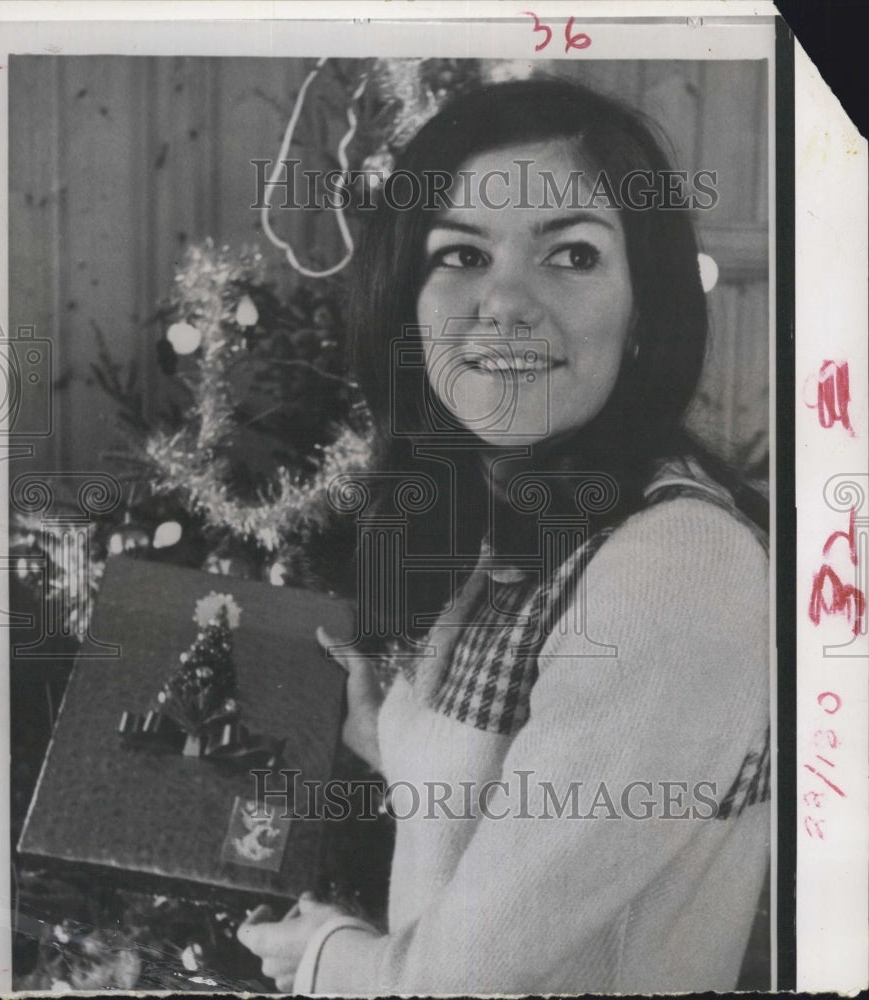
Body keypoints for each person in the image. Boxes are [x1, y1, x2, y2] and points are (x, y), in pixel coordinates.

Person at [238, 77, 770, 994]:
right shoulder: (532, 521)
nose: (505, 302)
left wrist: (322, 955)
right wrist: (387, 733)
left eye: (571, 255)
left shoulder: (676, 563)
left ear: (643, 310)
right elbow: (537, 801)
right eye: (461, 254)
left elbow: (464, 982)